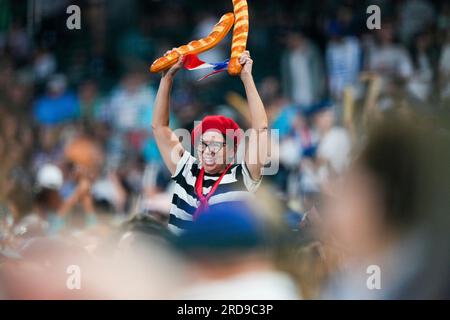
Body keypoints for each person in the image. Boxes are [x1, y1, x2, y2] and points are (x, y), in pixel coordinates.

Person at [151, 51, 268, 234]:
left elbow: (260, 128)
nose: (207, 151)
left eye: (214, 145)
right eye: (203, 144)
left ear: (231, 150)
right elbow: (159, 127)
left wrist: (246, 78)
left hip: (222, 260)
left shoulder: (243, 176)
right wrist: (166, 79)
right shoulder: (187, 169)